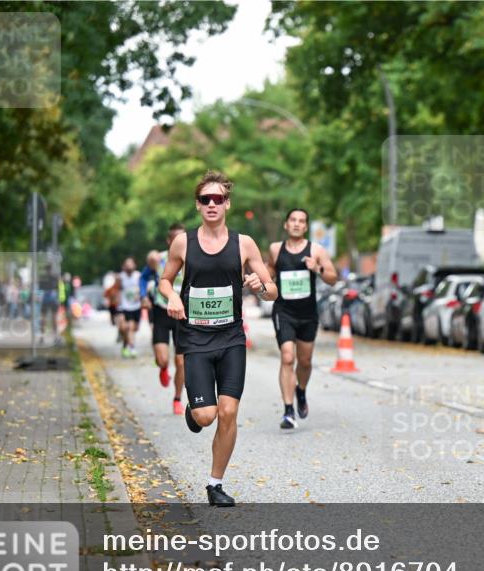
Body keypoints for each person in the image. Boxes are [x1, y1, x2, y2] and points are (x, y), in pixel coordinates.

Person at [159, 170, 277, 507]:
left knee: (228, 413)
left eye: (218, 199)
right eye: (205, 199)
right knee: (206, 416)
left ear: (228, 204)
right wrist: (172, 296)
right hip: (195, 339)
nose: (212, 204)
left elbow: (272, 291)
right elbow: (165, 279)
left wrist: (261, 287)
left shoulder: (245, 244)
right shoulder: (184, 242)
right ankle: (194, 412)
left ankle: (215, 484)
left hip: (230, 339)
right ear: (197, 205)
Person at [268, 208, 338, 429]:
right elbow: (268, 272)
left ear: (306, 227)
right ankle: (288, 411)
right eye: (293, 220)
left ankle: (301, 390)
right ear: (286, 225)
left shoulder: (316, 250)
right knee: (288, 357)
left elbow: (333, 278)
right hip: (283, 312)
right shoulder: (275, 249)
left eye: (301, 221)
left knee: (305, 361)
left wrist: (317, 268)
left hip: (308, 314)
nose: (297, 224)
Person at [144, 223, 188, 414]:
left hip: (182, 313)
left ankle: (177, 398)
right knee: (163, 359)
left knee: (181, 362)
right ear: (169, 241)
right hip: (162, 312)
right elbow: (145, 274)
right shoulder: (159, 259)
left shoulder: (192, 258)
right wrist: (143, 296)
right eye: (175, 239)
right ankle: (163, 368)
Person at [116, 257, 143, 358]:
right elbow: (117, 291)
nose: (129, 265)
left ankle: (126, 345)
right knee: (125, 327)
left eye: (131, 263)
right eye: (127, 264)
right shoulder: (120, 277)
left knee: (133, 328)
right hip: (124, 306)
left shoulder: (138, 276)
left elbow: (142, 288)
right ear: (123, 266)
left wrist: (140, 295)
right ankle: (131, 346)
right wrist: (118, 305)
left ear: (134, 265)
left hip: (136, 306)